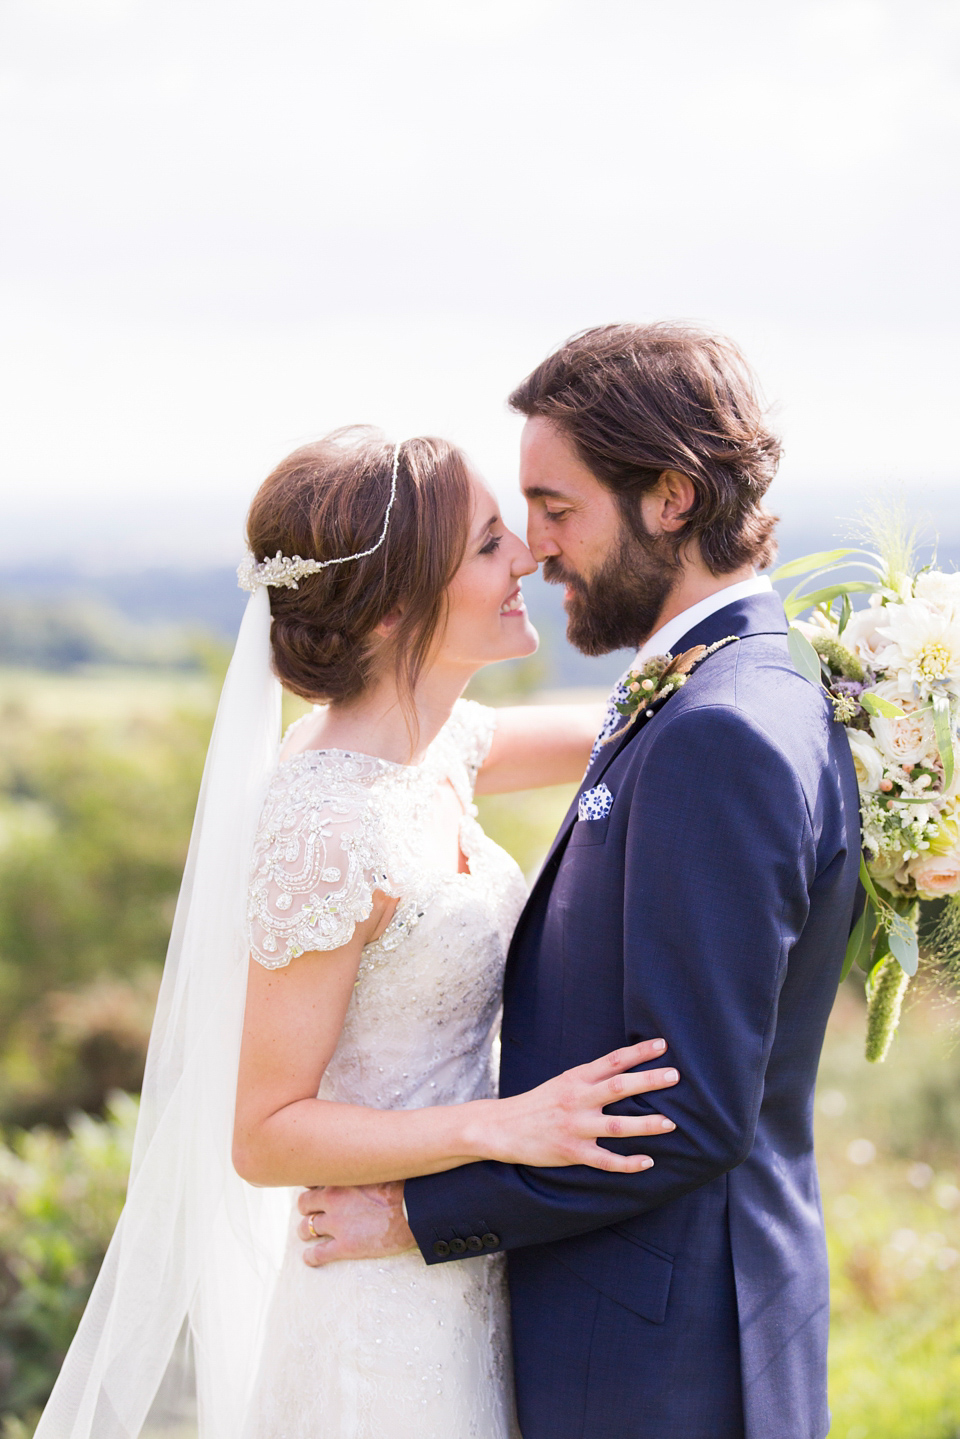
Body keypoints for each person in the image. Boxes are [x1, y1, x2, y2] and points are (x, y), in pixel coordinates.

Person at [34, 426, 679, 1439]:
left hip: (469, 1257)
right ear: (390, 609)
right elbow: (264, 1129)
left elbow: (647, 715)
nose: (531, 555)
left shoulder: (440, 748)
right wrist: (501, 1126)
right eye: (487, 545)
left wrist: (851, 683)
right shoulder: (323, 823)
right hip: (380, 1310)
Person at [298, 327, 863, 1439]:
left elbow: (686, 1115)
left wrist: (418, 1214)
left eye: (557, 509)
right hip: (666, 1326)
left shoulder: (722, 731)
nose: (539, 549)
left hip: (664, 1359)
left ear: (670, 497)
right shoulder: (727, 683)